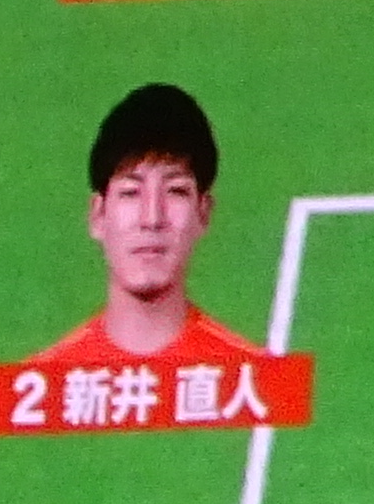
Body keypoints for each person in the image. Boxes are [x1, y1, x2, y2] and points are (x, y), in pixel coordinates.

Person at [14, 83, 276, 371]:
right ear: (98, 215)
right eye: (131, 193)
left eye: (175, 191)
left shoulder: (253, 380)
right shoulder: (41, 385)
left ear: (203, 213)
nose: (152, 218)